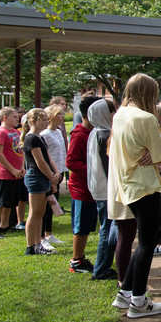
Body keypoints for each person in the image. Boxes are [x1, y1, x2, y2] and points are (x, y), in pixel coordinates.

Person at [108, 73, 161, 318]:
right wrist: (154, 157)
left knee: (143, 241)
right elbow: (159, 156)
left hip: (128, 186)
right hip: (146, 186)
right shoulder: (147, 118)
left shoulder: (119, 115)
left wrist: (152, 156)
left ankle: (125, 293)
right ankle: (139, 301)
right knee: (147, 242)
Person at [66, 96, 100, 274]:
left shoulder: (93, 132)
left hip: (91, 187)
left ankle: (80, 258)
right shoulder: (79, 135)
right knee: (81, 226)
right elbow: (71, 162)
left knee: (87, 225)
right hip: (81, 188)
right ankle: (76, 260)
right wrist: (94, 170)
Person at [21, 108, 61, 255]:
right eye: (43, 120)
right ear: (33, 121)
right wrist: (52, 177)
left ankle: (38, 243)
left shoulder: (40, 137)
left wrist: (56, 173)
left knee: (40, 212)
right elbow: (40, 162)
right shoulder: (31, 138)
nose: (46, 122)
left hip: (43, 177)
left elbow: (48, 158)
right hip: (36, 177)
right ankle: (31, 246)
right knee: (35, 212)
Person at [87, 99, 119, 280]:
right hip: (105, 188)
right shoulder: (104, 135)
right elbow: (109, 166)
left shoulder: (94, 132)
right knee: (107, 229)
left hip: (98, 186)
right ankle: (101, 270)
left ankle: (103, 267)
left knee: (106, 227)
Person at [0, 107, 24, 239]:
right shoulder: (0, 133)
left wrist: (21, 167)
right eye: (14, 117)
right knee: (0, 202)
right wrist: (12, 169)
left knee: (10, 201)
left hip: (16, 172)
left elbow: (21, 150)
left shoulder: (15, 132)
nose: (17, 119)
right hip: (3, 173)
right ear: (5, 117)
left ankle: (5, 225)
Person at [40, 104, 68, 247]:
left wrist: (61, 171)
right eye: (59, 114)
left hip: (59, 171)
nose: (62, 117)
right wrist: (52, 174)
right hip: (49, 173)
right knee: (45, 205)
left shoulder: (58, 131)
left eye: (63, 114)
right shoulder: (44, 135)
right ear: (50, 116)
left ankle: (49, 234)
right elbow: (45, 157)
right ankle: (41, 237)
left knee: (53, 204)